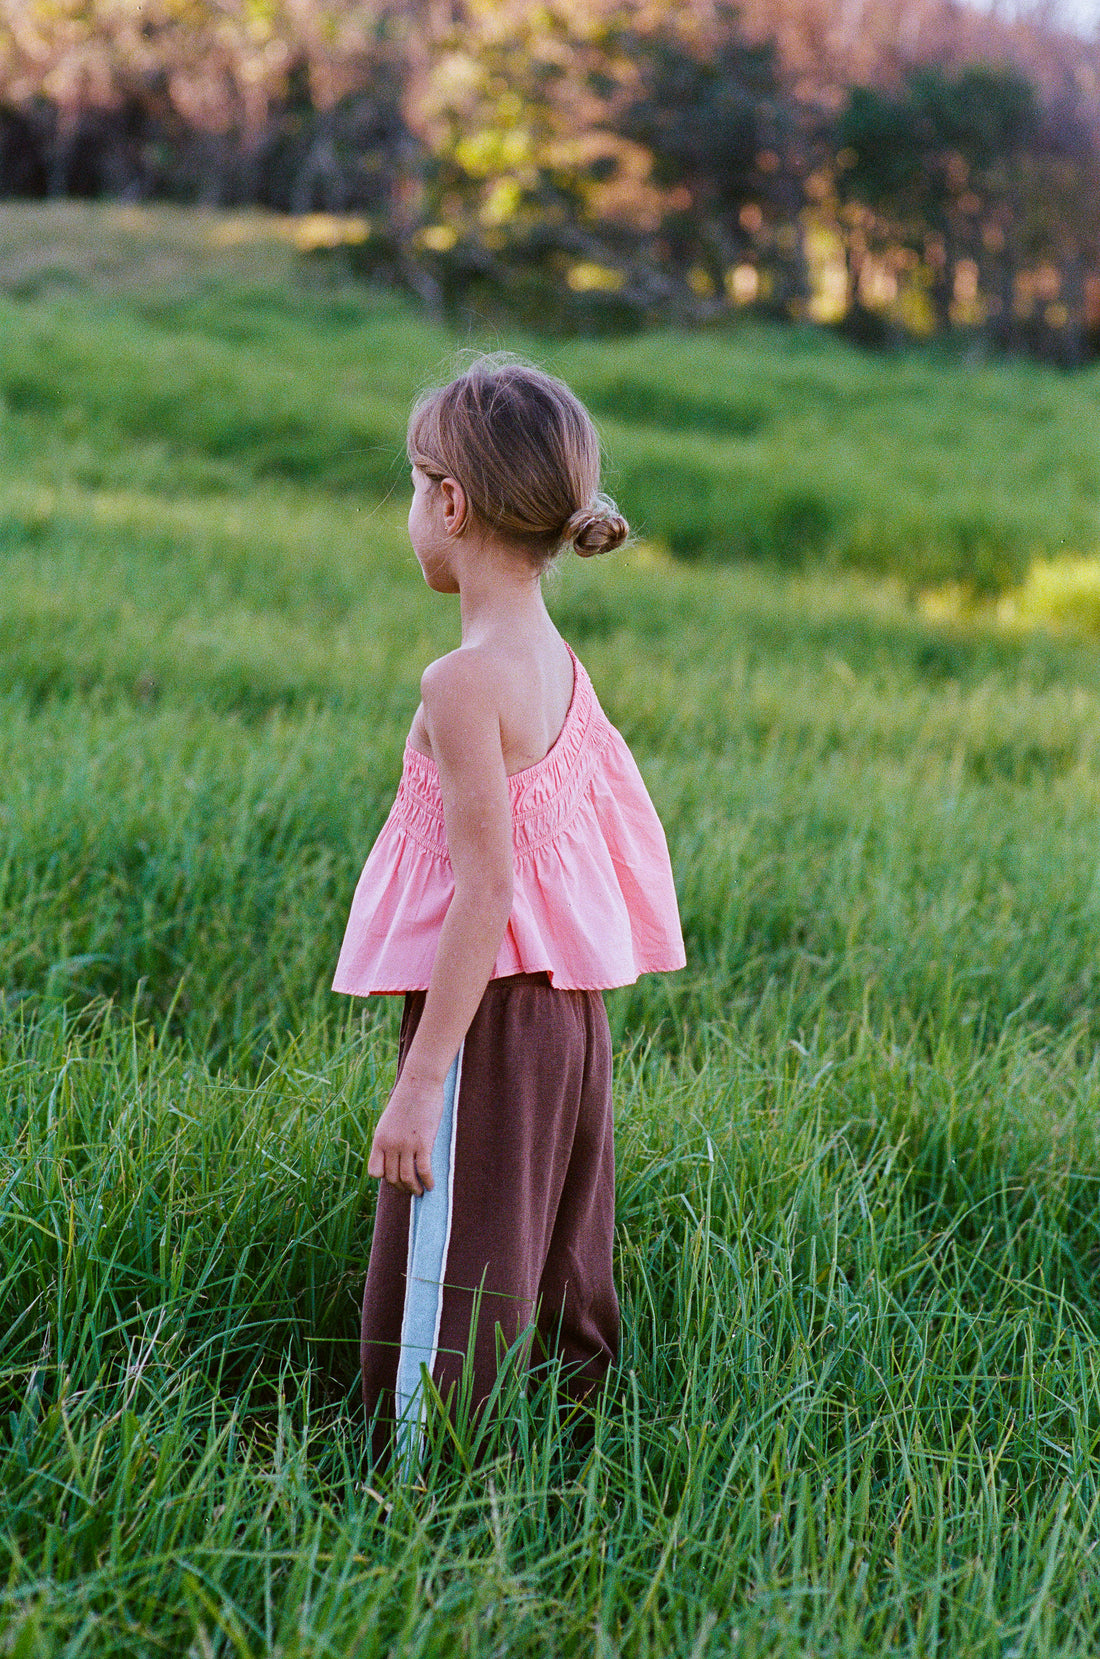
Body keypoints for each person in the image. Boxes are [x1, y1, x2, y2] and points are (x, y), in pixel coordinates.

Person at [332, 357, 685, 1471]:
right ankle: (578, 1453)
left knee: (457, 1263)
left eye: (412, 485)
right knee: (560, 1245)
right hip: (567, 1019)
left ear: (451, 503)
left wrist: (422, 1077)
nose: (410, 512)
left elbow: (486, 889)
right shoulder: (554, 660)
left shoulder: (462, 681)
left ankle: (419, 1489)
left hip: (485, 1021)